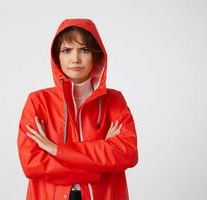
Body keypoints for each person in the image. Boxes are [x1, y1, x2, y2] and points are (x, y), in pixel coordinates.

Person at [17, 18, 138, 200]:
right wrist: (99, 164)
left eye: (84, 50)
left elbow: (127, 153)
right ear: (57, 56)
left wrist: (57, 150)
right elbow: (31, 163)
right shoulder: (38, 101)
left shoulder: (114, 100)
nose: (75, 59)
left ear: (96, 55)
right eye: (66, 50)